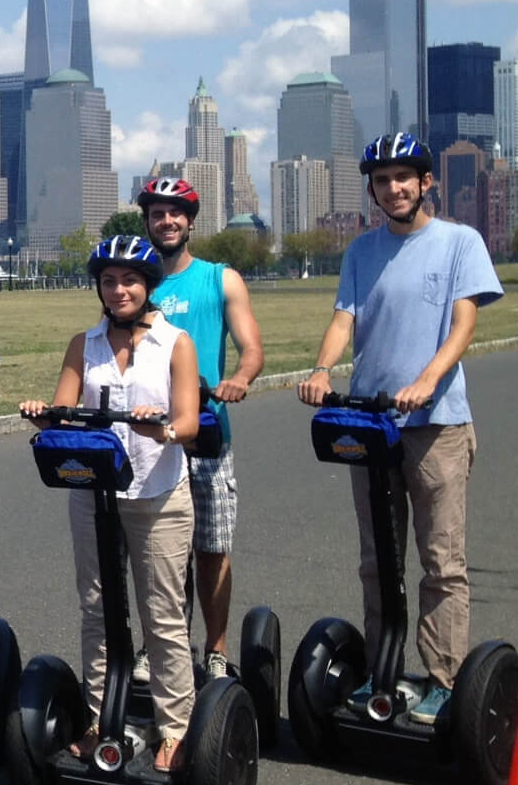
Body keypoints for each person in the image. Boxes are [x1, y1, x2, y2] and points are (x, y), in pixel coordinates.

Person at [296, 132, 502, 725]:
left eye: (403, 178)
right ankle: (384, 671)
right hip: (369, 423)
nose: (393, 189)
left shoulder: (460, 242)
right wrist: (321, 367)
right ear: (374, 190)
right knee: (377, 558)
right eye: (382, 181)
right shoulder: (361, 251)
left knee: (442, 559)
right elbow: (345, 317)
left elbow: (462, 324)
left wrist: (427, 378)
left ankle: (443, 679)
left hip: (435, 424)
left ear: (426, 182)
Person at [20, 236, 200, 771]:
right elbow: (63, 409)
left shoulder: (175, 343)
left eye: (129, 280)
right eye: (108, 281)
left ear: (148, 285)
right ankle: (103, 718)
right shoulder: (85, 343)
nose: (119, 290)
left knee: (161, 615)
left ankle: (175, 729)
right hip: (94, 494)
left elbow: (189, 421)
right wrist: (44, 414)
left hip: (158, 492)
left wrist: (162, 427)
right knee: (98, 610)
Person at [138, 176, 264, 678]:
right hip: (153, 439)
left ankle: (215, 649)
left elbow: (251, 346)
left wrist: (238, 377)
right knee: (160, 558)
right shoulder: (134, 282)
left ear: (190, 220)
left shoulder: (220, 278)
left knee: (211, 549)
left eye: (175, 213)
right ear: (146, 222)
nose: (165, 221)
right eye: (156, 214)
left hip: (208, 433)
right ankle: (160, 650)